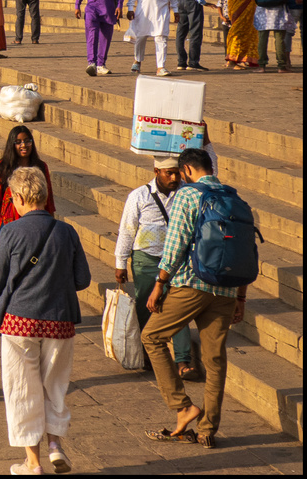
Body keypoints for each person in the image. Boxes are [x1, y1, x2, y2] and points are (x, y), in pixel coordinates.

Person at [0, 167, 89, 475]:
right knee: (55, 386)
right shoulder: (67, 232)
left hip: (20, 322)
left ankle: (33, 462)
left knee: (22, 389)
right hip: (60, 321)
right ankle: (56, 445)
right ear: (44, 195)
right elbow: (82, 278)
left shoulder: (11, 232)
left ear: (17, 197)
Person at [141, 147, 249, 448]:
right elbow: (246, 252)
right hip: (226, 289)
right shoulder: (235, 198)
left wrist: (160, 282)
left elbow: (176, 243)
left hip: (191, 283)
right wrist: (240, 296)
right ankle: (206, 430)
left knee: (152, 336)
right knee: (215, 361)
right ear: (210, 167)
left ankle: (182, 406)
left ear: (187, 170)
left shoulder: (188, 196)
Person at [114, 156, 197, 382]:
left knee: (177, 309)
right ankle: (147, 354)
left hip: (176, 260)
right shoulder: (138, 196)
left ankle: (183, 361)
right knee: (144, 305)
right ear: (156, 171)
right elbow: (127, 230)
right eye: (168, 173)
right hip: (146, 259)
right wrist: (120, 263)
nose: (173, 178)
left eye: (177, 173)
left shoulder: (186, 193)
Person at [0, 126, 54, 235]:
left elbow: (48, 196)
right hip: (9, 221)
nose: (24, 145)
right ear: (11, 145)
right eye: (18, 142)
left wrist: (51, 221)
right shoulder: (2, 167)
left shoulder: (41, 166)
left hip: (35, 220)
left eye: (27, 141)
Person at [220, 0, 259, 70]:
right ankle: (232, 61)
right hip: (238, 6)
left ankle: (243, 59)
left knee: (247, 32)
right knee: (237, 32)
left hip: (248, 6)